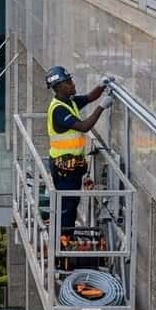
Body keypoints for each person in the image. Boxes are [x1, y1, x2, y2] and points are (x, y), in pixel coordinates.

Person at [44, 66, 112, 231]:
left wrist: (101, 86)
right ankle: (62, 245)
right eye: (68, 82)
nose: (72, 84)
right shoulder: (59, 109)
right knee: (67, 208)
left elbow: (89, 97)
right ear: (58, 87)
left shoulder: (69, 101)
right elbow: (83, 126)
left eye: (70, 80)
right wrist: (102, 107)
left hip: (71, 166)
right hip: (63, 167)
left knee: (72, 204)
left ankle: (67, 240)